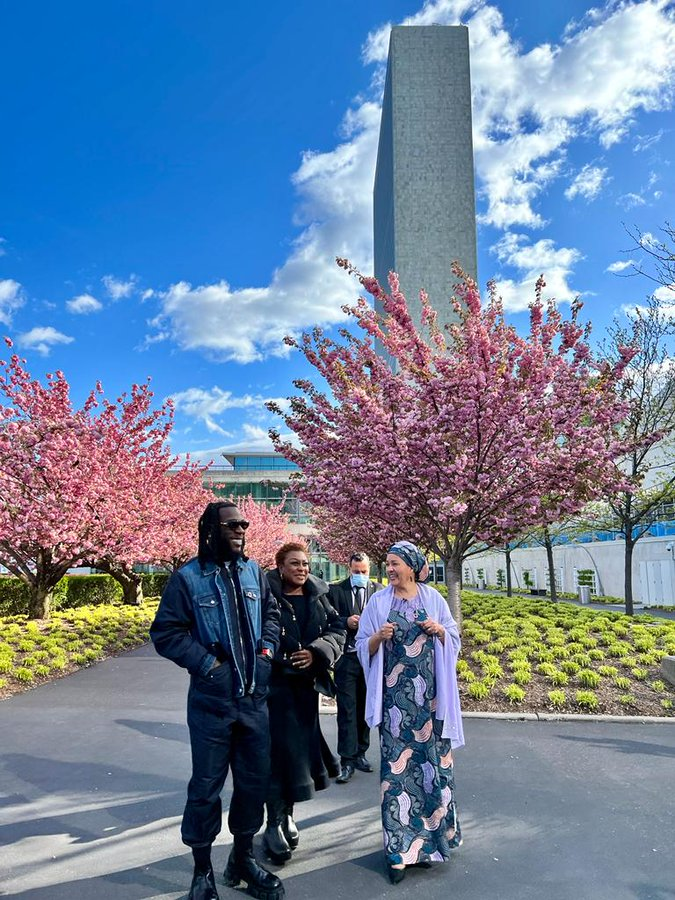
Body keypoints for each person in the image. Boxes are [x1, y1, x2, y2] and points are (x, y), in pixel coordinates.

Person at [150, 501, 284, 900]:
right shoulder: (188, 579)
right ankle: (202, 871)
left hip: (254, 702)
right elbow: (167, 633)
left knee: (252, 784)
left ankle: (242, 860)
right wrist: (210, 666)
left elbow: (272, 615)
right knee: (206, 788)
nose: (241, 529)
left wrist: (266, 655)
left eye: (243, 524)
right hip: (212, 705)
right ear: (211, 530)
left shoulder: (254, 572)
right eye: (232, 525)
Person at [355, 541, 464, 885]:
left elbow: (455, 638)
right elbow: (360, 644)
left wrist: (441, 631)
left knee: (434, 772)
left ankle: (433, 844)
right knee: (397, 780)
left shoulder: (433, 598)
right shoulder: (379, 602)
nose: (389, 569)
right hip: (395, 710)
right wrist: (376, 638)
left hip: (433, 706)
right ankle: (398, 852)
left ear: (412, 566)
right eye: (386, 563)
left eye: (395, 563)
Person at [262, 542, 345, 865]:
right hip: (273, 690)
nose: (302, 569)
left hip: (305, 692)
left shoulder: (320, 596)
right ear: (280, 566)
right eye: (295, 563)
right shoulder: (265, 596)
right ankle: (273, 823)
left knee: (297, 758)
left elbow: (338, 630)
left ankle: (287, 816)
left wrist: (318, 651)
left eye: (306, 564)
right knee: (276, 757)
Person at [329, 552, 384, 784]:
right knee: (347, 710)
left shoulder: (379, 591)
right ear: (348, 569)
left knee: (365, 708)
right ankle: (347, 759)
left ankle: (361, 752)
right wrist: (346, 622)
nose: (360, 575)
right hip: (346, 658)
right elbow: (327, 618)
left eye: (364, 572)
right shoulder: (335, 591)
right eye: (356, 572)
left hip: (370, 659)